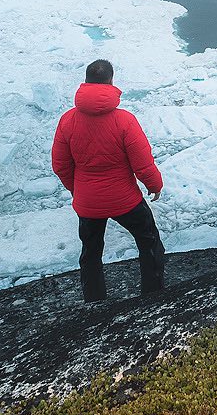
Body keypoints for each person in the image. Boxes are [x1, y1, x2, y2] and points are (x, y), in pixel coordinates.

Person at [51, 58, 165, 302]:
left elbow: (60, 165)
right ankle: (153, 297)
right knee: (149, 243)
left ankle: (95, 303)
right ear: (111, 82)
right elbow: (142, 164)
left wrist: (78, 190)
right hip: (125, 201)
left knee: (90, 253)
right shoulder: (124, 121)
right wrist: (154, 185)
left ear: (85, 82)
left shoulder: (68, 121)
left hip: (88, 203)